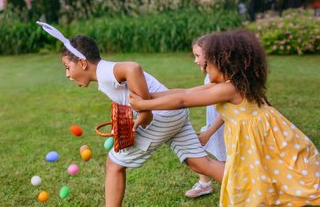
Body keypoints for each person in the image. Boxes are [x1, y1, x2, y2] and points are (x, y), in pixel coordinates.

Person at [36, 22, 225, 207]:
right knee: (200, 164)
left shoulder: (105, 72)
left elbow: (132, 68)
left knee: (114, 165)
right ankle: (250, 188)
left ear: (83, 64)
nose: (67, 74)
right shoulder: (104, 73)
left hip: (163, 116)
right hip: (174, 114)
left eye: (67, 67)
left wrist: (146, 110)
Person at [129, 29, 320, 206]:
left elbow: (183, 100)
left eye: (207, 62)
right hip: (258, 136)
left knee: (289, 177)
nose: (203, 66)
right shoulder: (230, 83)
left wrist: (144, 105)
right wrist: (148, 96)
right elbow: (184, 91)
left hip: (265, 136)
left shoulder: (229, 88)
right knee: (262, 173)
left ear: (224, 62)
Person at [185, 37, 227, 198]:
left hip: (224, 128)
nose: (195, 61)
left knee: (225, 160)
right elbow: (191, 93)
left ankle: (236, 188)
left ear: (211, 55)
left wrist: (209, 132)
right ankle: (204, 184)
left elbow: (226, 113)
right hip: (213, 126)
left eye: (197, 56)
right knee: (198, 149)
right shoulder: (210, 74)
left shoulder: (223, 79)